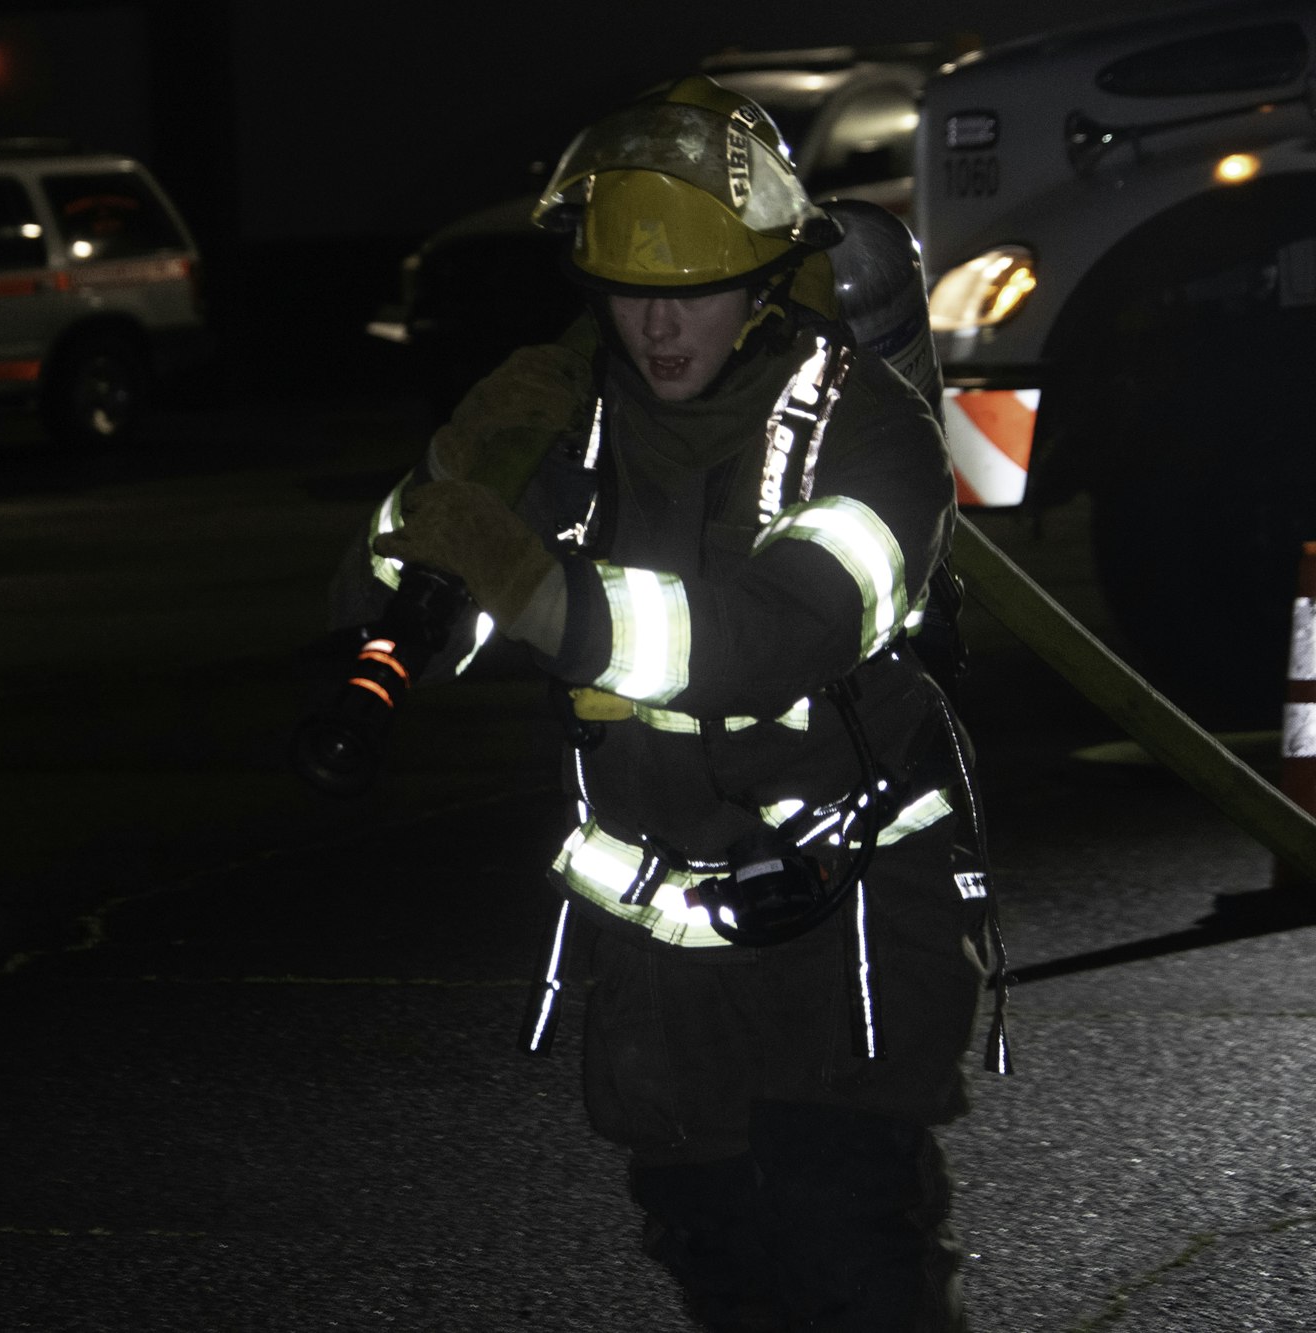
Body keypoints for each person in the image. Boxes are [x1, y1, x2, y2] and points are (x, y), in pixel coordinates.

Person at [330, 76, 1005, 1331]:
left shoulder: (871, 432)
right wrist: (452, 480)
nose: (657, 325)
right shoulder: (567, 418)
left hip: (844, 933)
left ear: (761, 283)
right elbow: (381, 607)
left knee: (848, 1257)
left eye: (690, 287)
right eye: (631, 291)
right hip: (657, 952)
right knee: (715, 1256)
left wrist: (540, 590)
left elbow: (762, 642)